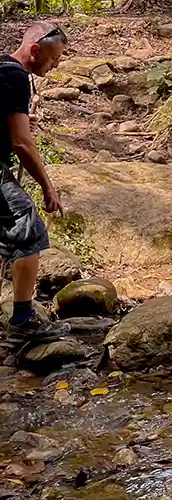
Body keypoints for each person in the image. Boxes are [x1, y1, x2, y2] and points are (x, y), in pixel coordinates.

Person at [0, 23, 71, 346]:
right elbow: (22, 143)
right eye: (54, 59)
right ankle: (23, 320)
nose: (54, 66)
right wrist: (48, 187)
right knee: (29, 232)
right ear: (35, 50)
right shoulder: (14, 76)